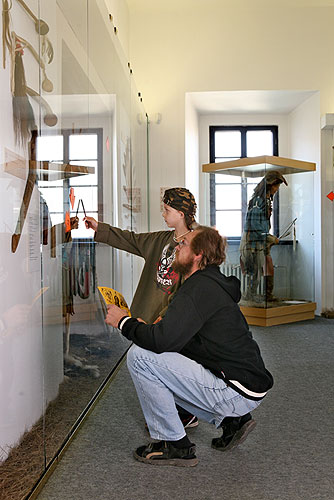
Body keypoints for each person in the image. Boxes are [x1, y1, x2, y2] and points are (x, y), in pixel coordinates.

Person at [106, 226, 274, 467]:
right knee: (162, 354)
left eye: (183, 244)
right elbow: (176, 339)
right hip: (245, 384)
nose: (176, 247)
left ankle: (173, 444)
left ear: (198, 255)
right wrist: (148, 329)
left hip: (235, 390)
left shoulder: (197, 289)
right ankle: (232, 421)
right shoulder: (208, 283)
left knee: (139, 357)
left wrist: (123, 322)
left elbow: (161, 342)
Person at [84, 187, 199, 428]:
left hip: (177, 319)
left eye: (166, 210)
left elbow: (194, 291)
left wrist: (167, 317)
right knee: (158, 364)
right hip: (152, 315)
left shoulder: (197, 244)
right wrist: (99, 227)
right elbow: (131, 240)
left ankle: (183, 414)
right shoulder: (160, 241)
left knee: (175, 363)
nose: (163, 213)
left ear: (180, 213)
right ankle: (179, 413)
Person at [240, 170, 288, 302]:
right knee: (255, 272)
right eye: (276, 186)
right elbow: (254, 225)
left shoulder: (265, 200)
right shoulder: (258, 201)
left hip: (261, 241)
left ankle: (268, 295)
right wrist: (269, 237)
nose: (277, 189)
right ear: (270, 185)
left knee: (268, 266)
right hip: (254, 242)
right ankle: (250, 296)